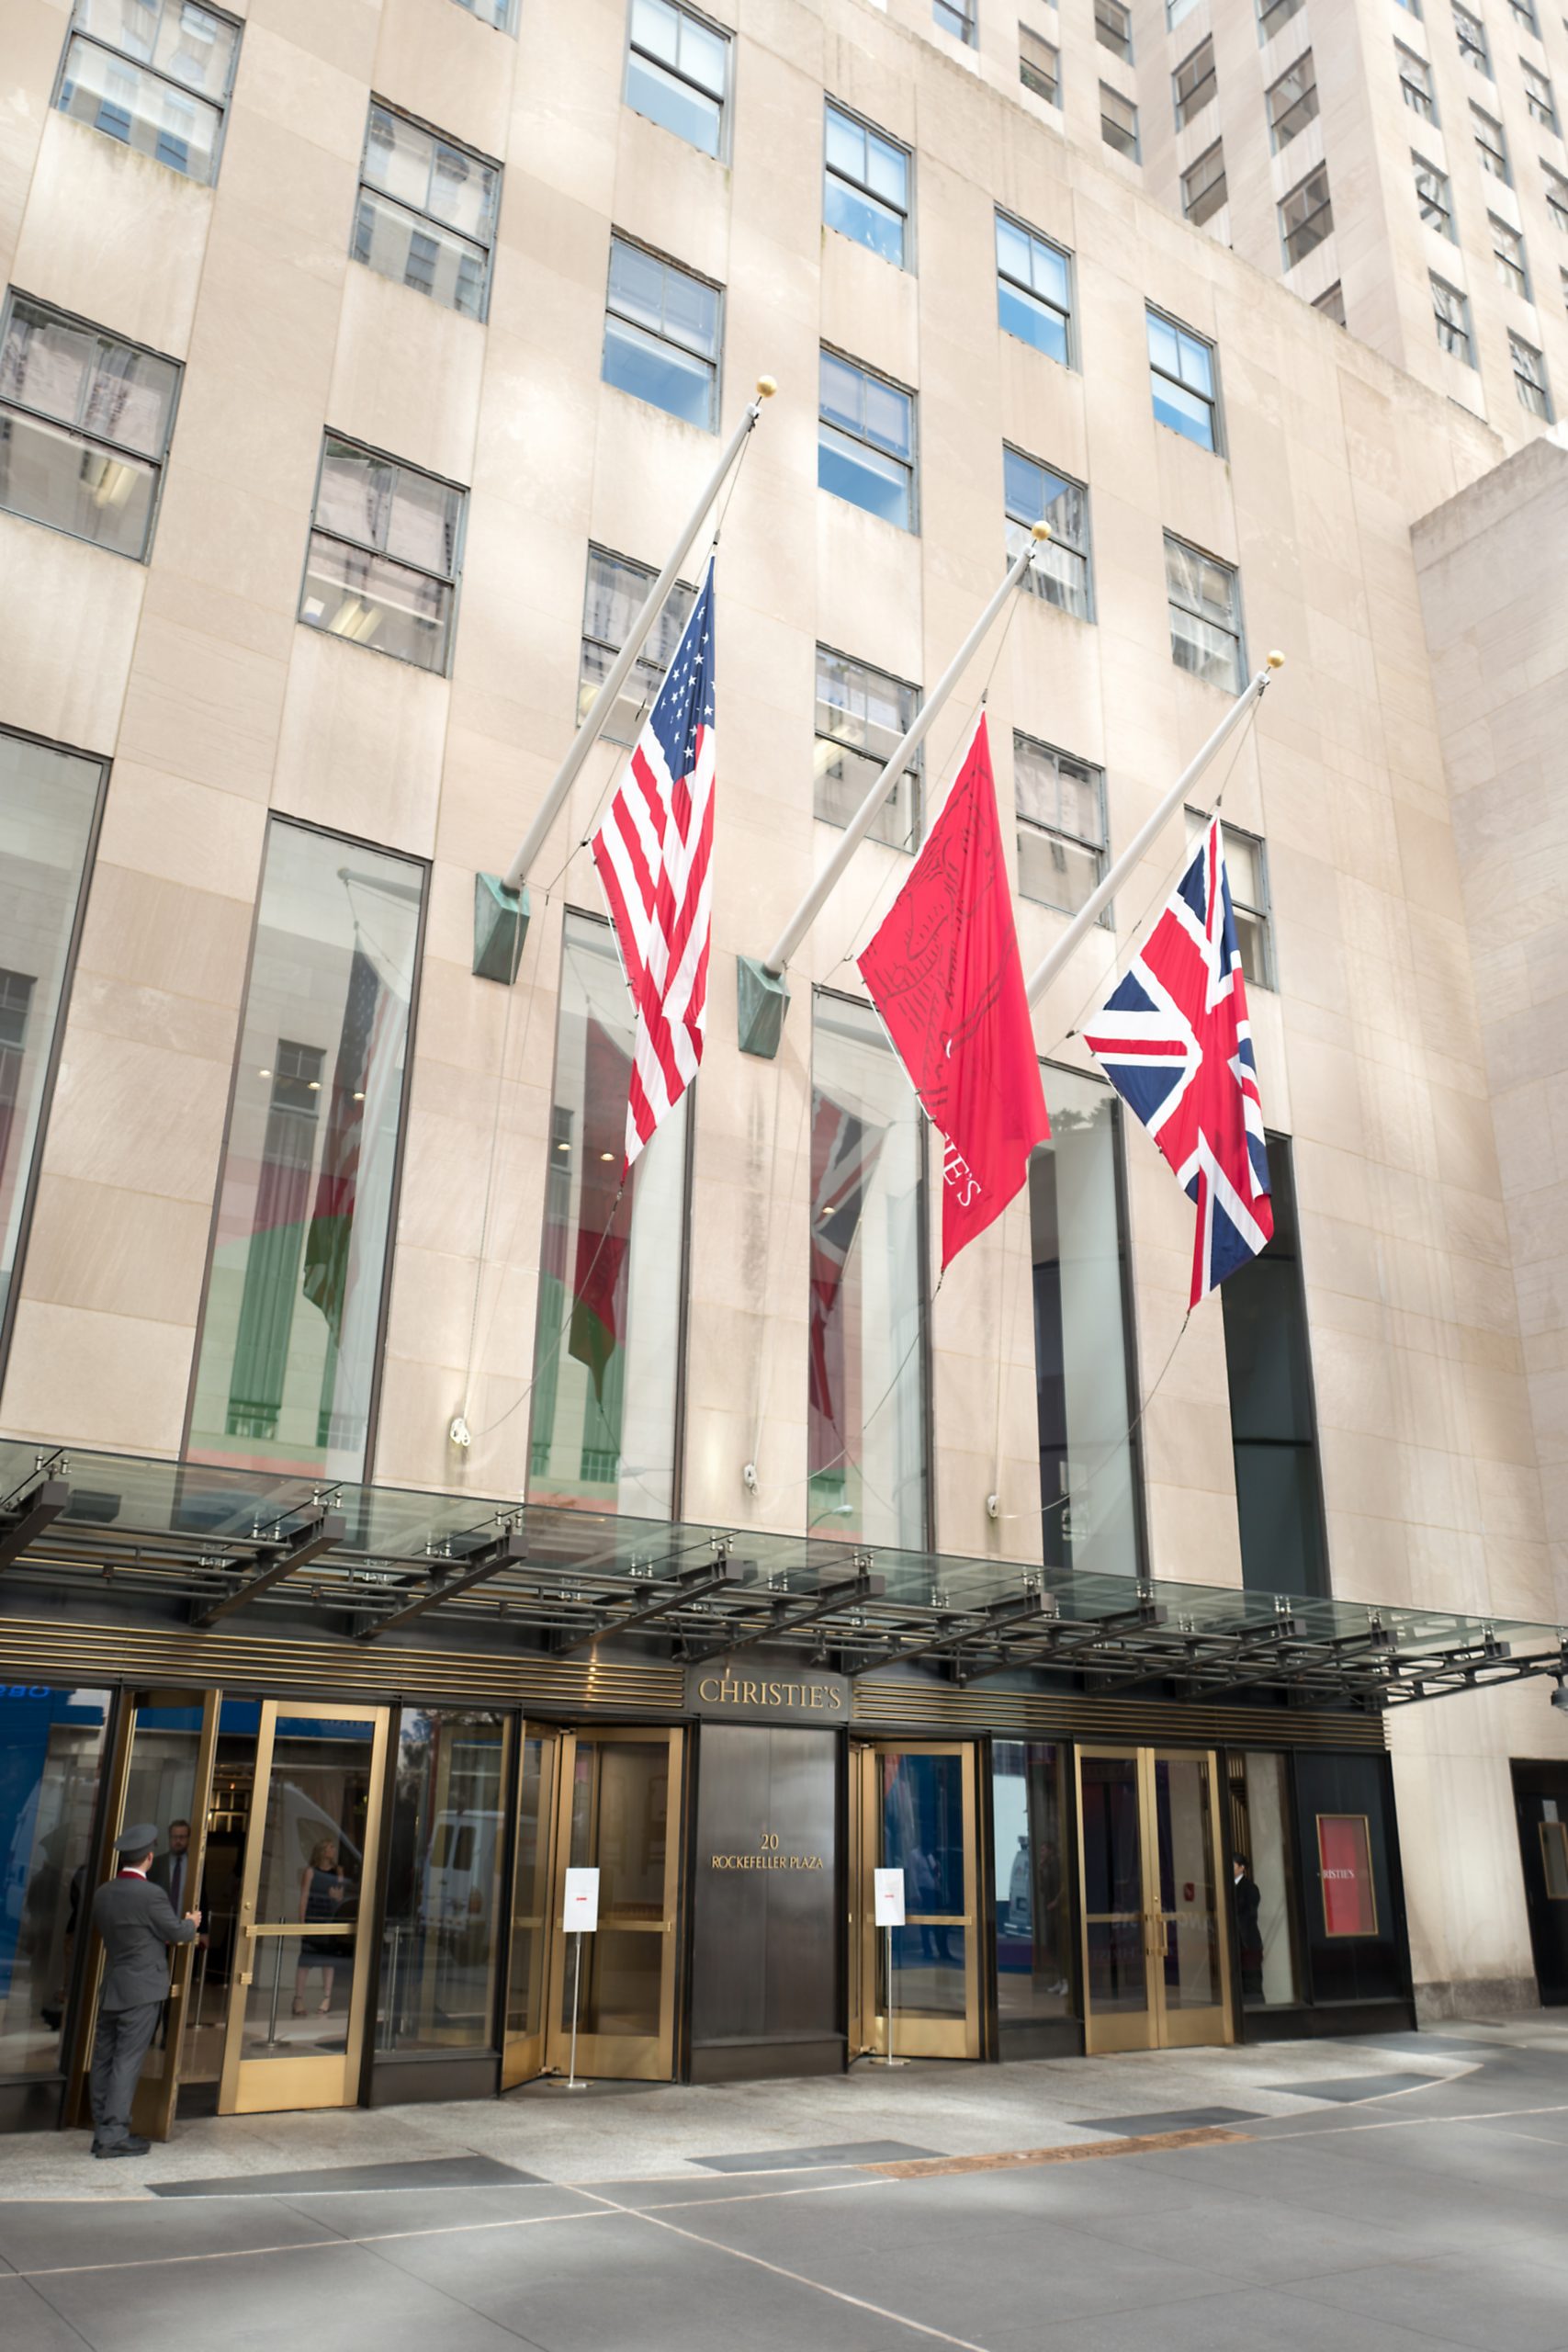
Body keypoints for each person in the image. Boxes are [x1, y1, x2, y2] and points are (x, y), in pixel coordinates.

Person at [87, 1822, 200, 2158]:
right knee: (127, 2060)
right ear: (149, 1857)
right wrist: (191, 1923)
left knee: (104, 2058)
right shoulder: (151, 1894)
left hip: (114, 1985)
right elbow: (177, 1933)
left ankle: (101, 2129)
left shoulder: (104, 1892)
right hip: (142, 1989)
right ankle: (114, 2134)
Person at [294, 1838, 348, 2017]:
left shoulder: (338, 1871)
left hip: (329, 1918)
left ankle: (327, 1996)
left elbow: (340, 1897)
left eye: (333, 1847)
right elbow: (304, 1896)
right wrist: (302, 1923)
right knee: (306, 1960)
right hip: (313, 1916)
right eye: (330, 1847)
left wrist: (336, 1895)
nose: (333, 1850)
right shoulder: (310, 1872)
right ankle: (299, 1998)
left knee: (328, 1960)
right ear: (322, 1851)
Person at [1233, 1851, 1264, 2001]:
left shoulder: (1250, 1888)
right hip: (1234, 1941)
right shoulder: (1225, 1888)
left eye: (1232, 1865)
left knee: (1251, 1981)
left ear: (1241, 1868)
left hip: (1247, 1941)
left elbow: (1250, 1913)